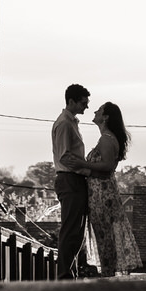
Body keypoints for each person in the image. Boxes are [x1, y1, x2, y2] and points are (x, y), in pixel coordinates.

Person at [80, 101, 142, 277]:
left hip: (101, 194)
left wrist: (82, 164)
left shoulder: (106, 139)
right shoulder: (107, 137)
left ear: (105, 117)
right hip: (102, 192)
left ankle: (108, 275)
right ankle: (108, 274)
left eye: (99, 110)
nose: (95, 111)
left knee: (105, 236)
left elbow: (107, 165)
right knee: (105, 235)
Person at [51, 83, 92, 279]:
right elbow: (64, 156)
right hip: (70, 179)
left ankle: (69, 272)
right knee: (70, 229)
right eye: (84, 102)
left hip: (74, 179)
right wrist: (88, 169)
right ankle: (64, 274)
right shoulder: (65, 124)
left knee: (77, 230)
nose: (87, 106)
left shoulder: (71, 122)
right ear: (71, 101)